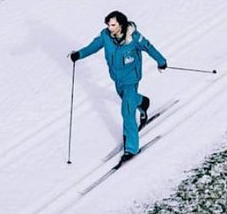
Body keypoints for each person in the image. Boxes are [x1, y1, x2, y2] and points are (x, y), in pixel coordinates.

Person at [69, 11, 168, 162]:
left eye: (113, 25)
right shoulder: (105, 36)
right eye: (108, 24)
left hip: (131, 78)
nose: (110, 27)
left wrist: (161, 61)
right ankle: (142, 102)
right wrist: (79, 54)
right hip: (117, 79)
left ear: (121, 24)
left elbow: (149, 47)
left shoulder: (134, 38)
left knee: (127, 111)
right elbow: (93, 46)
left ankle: (131, 147)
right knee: (128, 100)